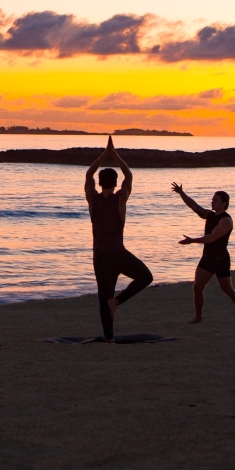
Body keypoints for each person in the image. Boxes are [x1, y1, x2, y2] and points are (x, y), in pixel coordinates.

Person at [85, 136, 153, 342]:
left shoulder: (92, 198)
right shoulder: (120, 198)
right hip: (117, 254)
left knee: (103, 297)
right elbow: (129, 175)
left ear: (99, 182)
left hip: (100, 256)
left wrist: (104, 154)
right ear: (115, 183)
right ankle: (119, 301)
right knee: (145, 277)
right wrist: (115, 154)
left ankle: (109, 338)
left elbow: (89, 173)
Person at [172, 182, 235, 323]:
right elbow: (194, 206)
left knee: (227, 289)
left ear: (224, 203)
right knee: (197, 287)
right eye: (212, 200)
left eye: (215, 200)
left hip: (220, 259)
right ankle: (198, 317)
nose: (212, 202)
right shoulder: (210, 215)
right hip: (207, 257)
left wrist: (192, 241)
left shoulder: (226, 220)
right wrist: (181, 193)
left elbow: (212, 237)